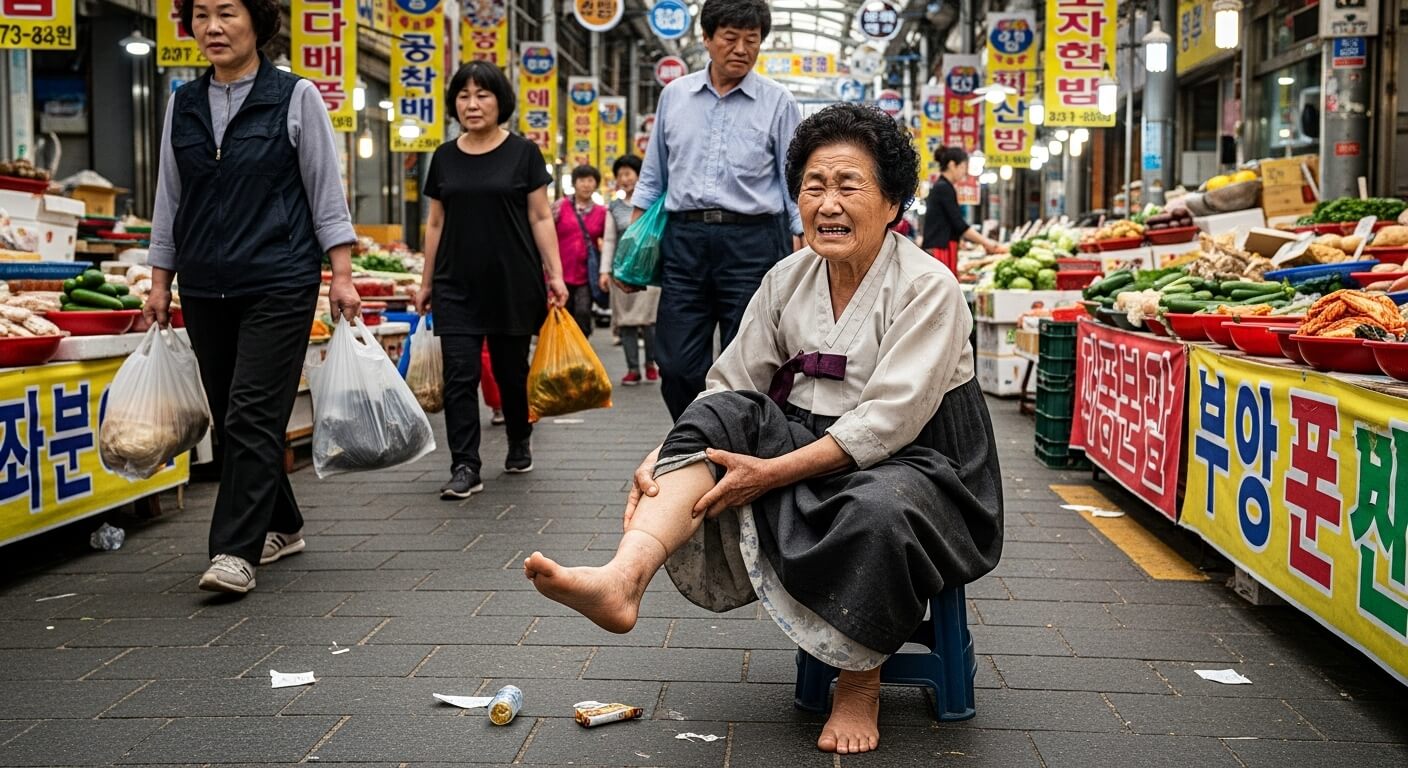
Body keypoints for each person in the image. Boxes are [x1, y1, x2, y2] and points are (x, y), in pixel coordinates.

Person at [525, 104, 1004, 754]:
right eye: (813, 186)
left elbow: (889, 421)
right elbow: (732, 381)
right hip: (810, 438)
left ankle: (858, 682)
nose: (828, 204)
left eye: (849, 186)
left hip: (925, 466)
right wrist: (667, 451)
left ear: (893, 203)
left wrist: (769, 474)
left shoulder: (928, 286)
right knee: (718, 415)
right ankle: (624, 578)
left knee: (877, 508)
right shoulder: (787, 277)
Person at [144, 0, 360, 594]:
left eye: (227, 13)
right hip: (204, 285)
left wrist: (341, 274)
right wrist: (160, 281)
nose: (212, 28)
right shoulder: (182, 104)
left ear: (257, 22)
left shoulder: (295, 96)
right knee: (234, 416)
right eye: (201, 15)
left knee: (250, 414)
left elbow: (325, 192)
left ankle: (234, 551)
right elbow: (169, 197)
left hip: (280, 279)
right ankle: (283, 524)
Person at [632, 0, 803, 420]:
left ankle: (728, 440)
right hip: (684, 240)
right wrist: (630, 249)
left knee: (746, 359)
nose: (742, 49)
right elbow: (653, 176)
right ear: (706, 39)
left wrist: (803, 240)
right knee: (675, 363)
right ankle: (698, 431)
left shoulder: (779, 102)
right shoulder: (675, 96)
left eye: (752, 40)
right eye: (730, 37)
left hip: (754, 241)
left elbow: (794, 181)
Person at [414, 60, 569, 499]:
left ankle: (519, 437)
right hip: (455, 283)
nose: (472, 104)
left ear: (500, 101)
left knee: (510, 372)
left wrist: (555, 275)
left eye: (482, 95)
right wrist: (426, 282)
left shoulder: (523, 153)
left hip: (512, 281)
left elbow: (540, 217)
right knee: (460, 375)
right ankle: (465, 465)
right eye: (463, 96)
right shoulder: (444, 157)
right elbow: (435, 223)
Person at [599, 154, 660, 386]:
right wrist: (605, 271)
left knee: (649, 319)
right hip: (622, 271)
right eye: (620, 175)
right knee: (625, 321)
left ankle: (651, 364)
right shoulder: (613, 207)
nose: (624, 179)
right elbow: (609, 240)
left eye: (628, 173)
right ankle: (632, 368)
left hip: (648, 270)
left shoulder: (652, 203)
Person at [921, 146, 1005, 273]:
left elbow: (950, 223)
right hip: (940, 249)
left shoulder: (943, 186)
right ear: (952, 165)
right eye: (963, 167)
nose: (965, 172)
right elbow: (959, 224)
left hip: (942, 246)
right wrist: (986, 242)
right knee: (944, 284)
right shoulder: (943, 188)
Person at [555, 165, 606, 337]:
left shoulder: (602, 212)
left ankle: (580, 348)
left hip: (586, 275)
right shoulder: (560, 206)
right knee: (561, 314)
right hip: (559, 272)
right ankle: (562, 350)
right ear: (574, 183)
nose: (586, 184)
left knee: (583, 313)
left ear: (596, 184)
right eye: (582, 180)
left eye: (590, 180)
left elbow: (608, 241)